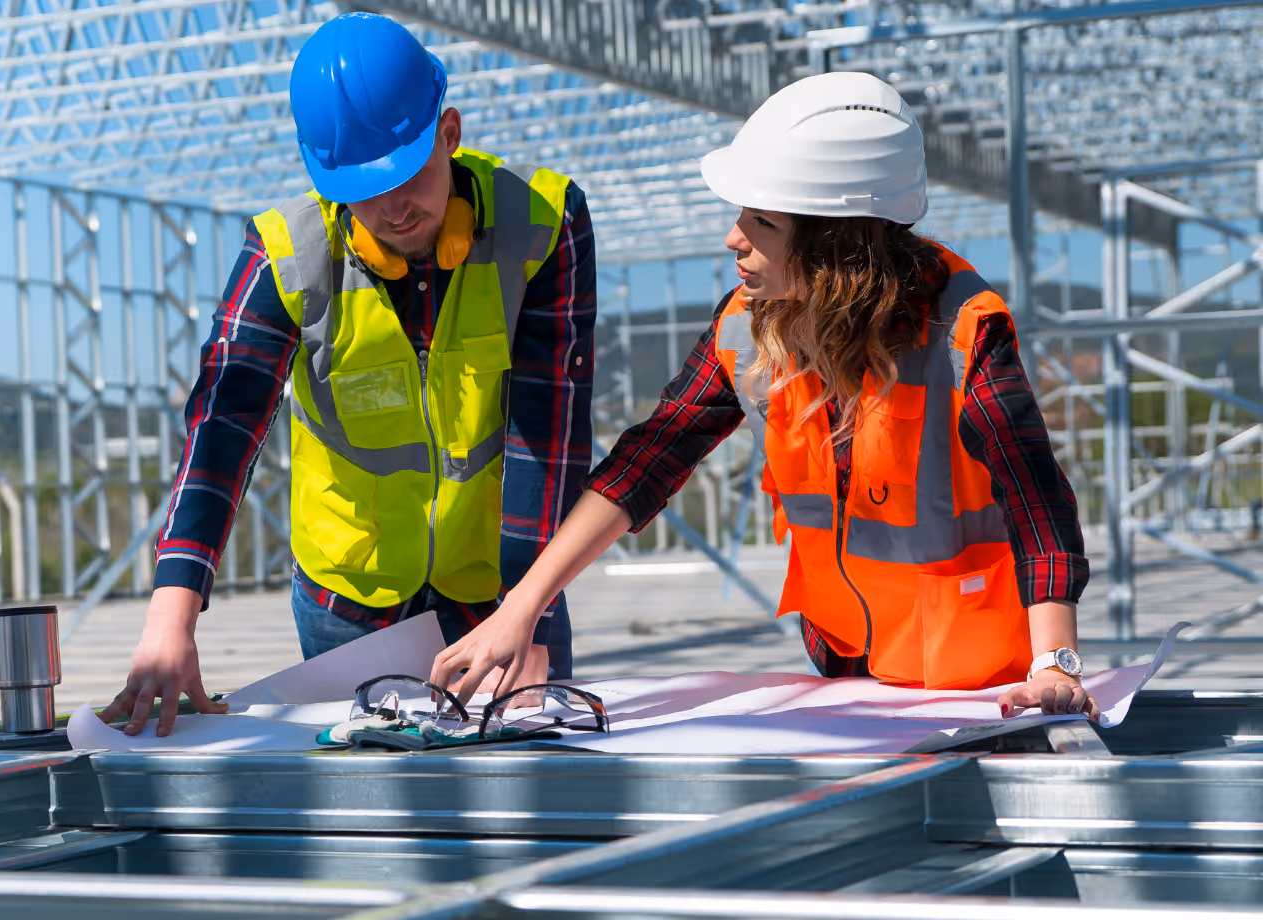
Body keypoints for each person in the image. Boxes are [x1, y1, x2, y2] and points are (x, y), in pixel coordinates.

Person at [431, 71, 1098, 722]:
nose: (733, 238)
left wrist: (1056, 665)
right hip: (852, 680)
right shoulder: (745, 329)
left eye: (762, 223)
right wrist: (518, 611)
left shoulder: (961, 332)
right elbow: (648, 461)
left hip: (985, 692)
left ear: (837, 247)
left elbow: (1036, 500)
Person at [99, 13, 598, 735]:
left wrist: (529, 609)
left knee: (525, 798)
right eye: (364, 189)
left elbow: (548, 441)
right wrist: (170, 616)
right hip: (347, 602)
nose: (394, 207)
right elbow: (221, 429)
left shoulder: (543, 225)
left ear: (449, 133)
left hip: (500, 585)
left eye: (411, 175)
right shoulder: (286, 259)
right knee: (375, 820)